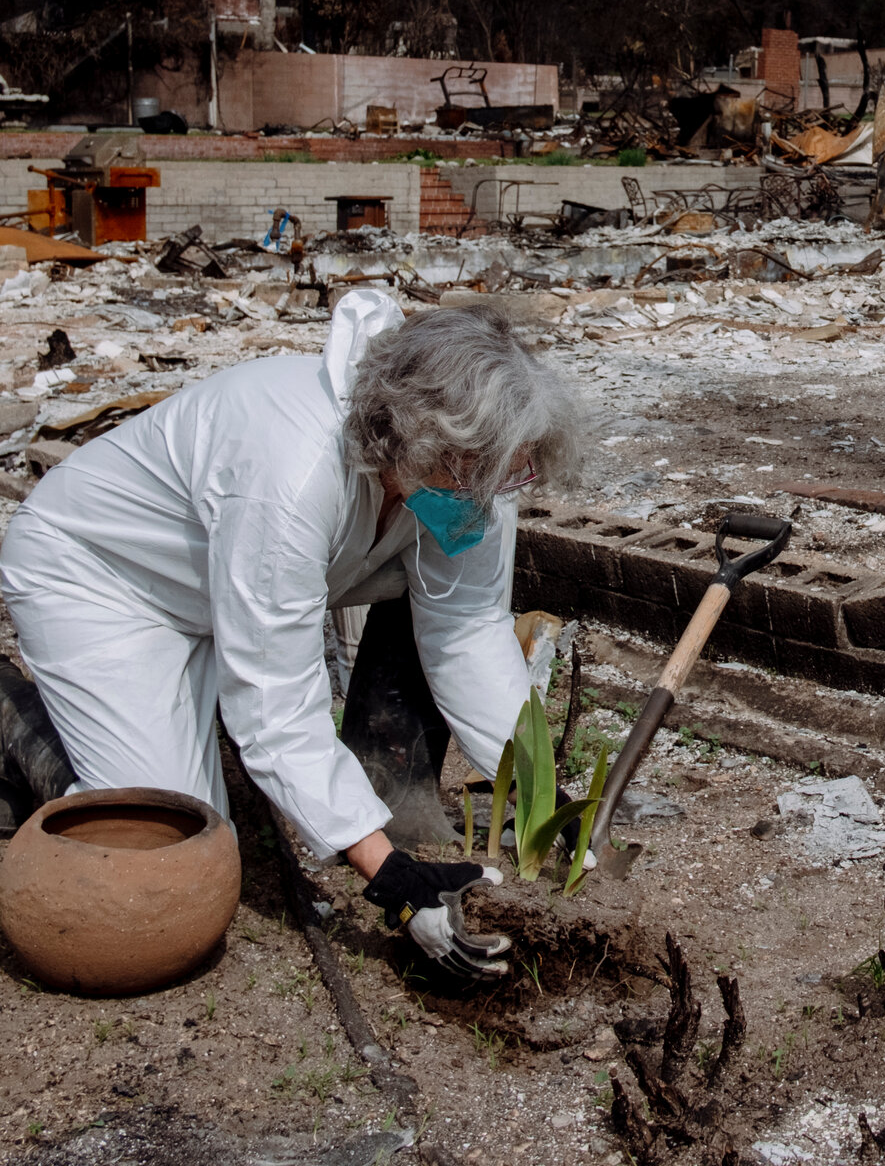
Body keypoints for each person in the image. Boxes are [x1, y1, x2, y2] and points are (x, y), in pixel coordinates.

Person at [0, 289, 582, 979]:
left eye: (511, 472)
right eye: (481, 472)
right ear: (418, 441)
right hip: (103, 581)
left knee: (210, 830)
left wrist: (547, 801)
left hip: (233, 590)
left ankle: (328, 762)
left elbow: (469, 628)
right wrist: (391, 877)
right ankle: (16, 714)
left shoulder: (470, 473)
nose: (494, 492)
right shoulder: (293, 469)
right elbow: (276, 704)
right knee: (169, 847)